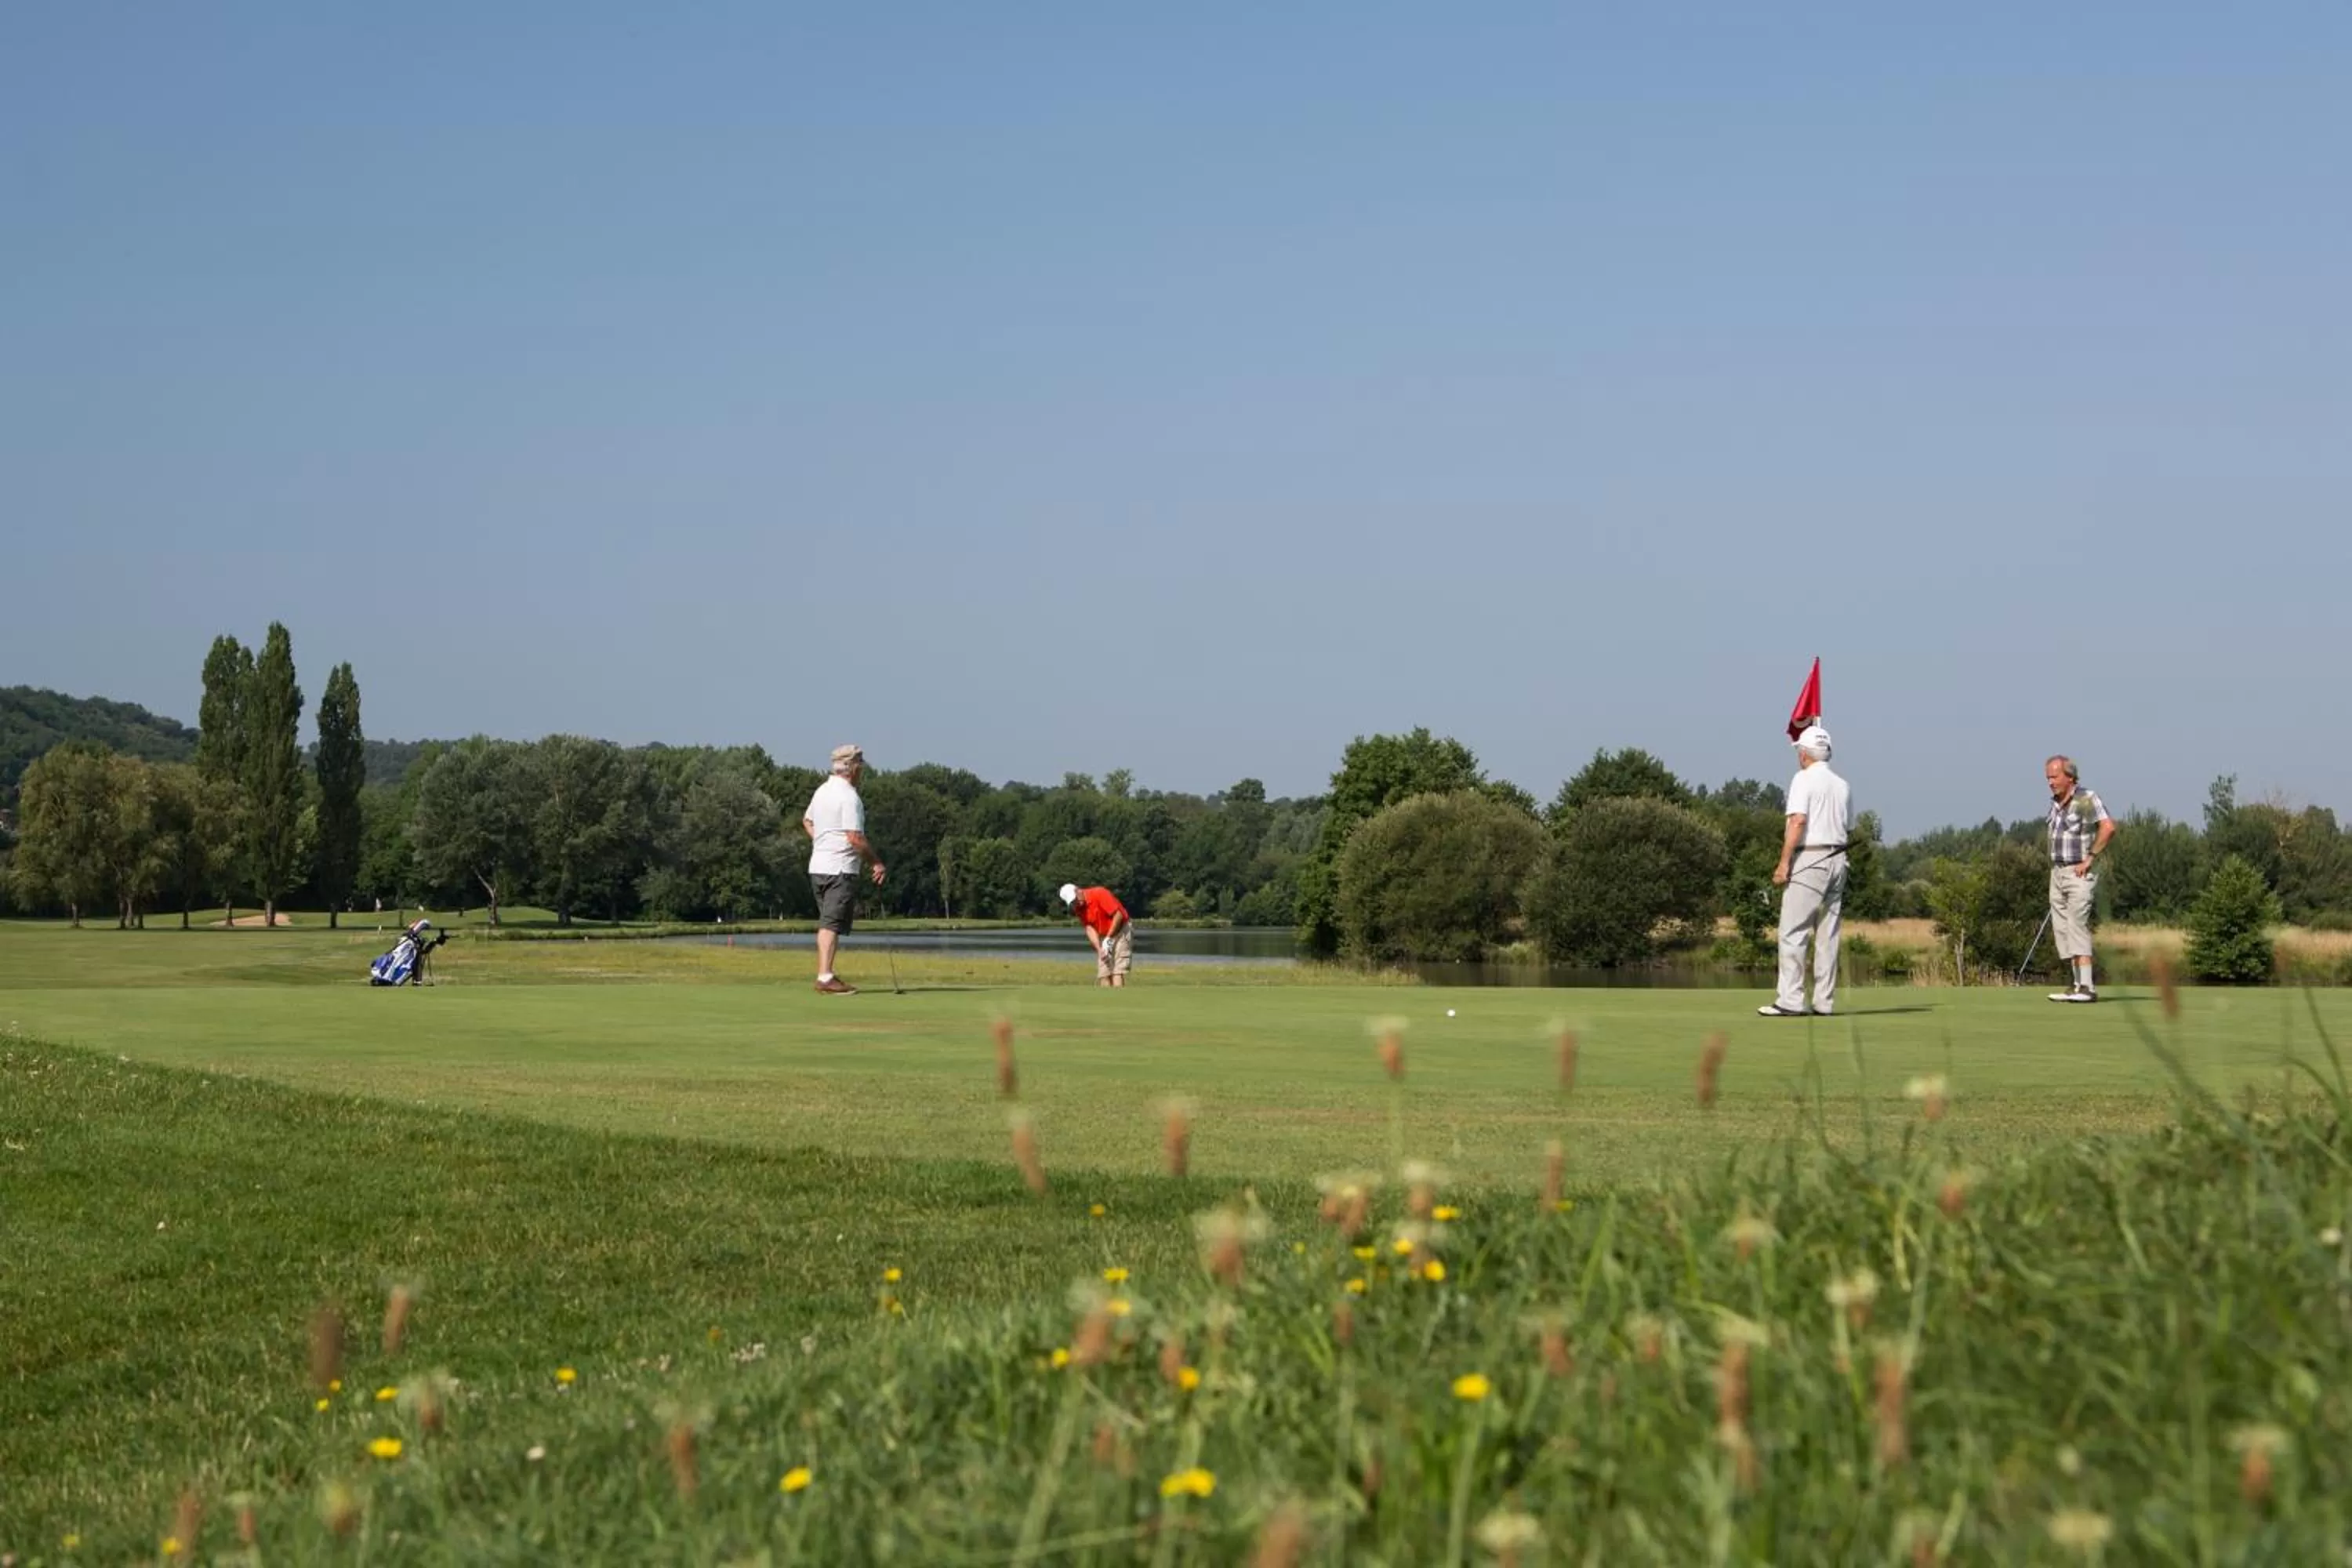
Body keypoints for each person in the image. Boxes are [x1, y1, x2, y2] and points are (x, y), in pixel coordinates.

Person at [1759, 724, 1852, 1018]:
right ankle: (1824, 1002)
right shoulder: (1843, 785)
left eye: (1800, 749)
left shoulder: (1802, 779)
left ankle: (1790, 1000)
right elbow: (1847, 828)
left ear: (1805, 753)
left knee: (1793, 931)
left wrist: (1784, 863)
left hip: (1810, 858)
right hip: (1839, 859)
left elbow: (1798, 821)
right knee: (1827, 934)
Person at [802, 744, 886, 995]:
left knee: (829, 923)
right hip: (840, 869)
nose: (862, 770)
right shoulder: (850, 797)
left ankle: (827, 974)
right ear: (852, 768)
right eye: (860, 765)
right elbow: (855, 838)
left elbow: (807, 821)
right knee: (830, 924)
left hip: (818, 867)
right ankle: (825, 977)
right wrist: (877, 863)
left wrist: (822, 842)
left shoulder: (822, 791)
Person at [2042, 754, 2116, 1004]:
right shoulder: (2054, 803)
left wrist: (2091, 857)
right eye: (2048, 778)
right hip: (2058, 872)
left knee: (2077, 925)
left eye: (2054, 777)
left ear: (2069, 776)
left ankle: (2087, 987)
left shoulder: (2086, 798)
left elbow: (2108, 827)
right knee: (2062, 930)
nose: (2050, 782)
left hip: (2079, 871)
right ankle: (2076, 985)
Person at [1059, 882, 1133, 988]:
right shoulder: (1078, 908)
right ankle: (1106, 1001)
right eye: (1073, 902)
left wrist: (1108, 938)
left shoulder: (1099, 893)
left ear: (1078, 890)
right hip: (1104, 934)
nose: (1076, 903)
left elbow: (1118, 915)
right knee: (1104, 973)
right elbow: (1089, 928)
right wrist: (1099, 949)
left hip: (1122, 930)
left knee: (1117, 971)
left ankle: (1118, 1000)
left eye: (1076, 899)